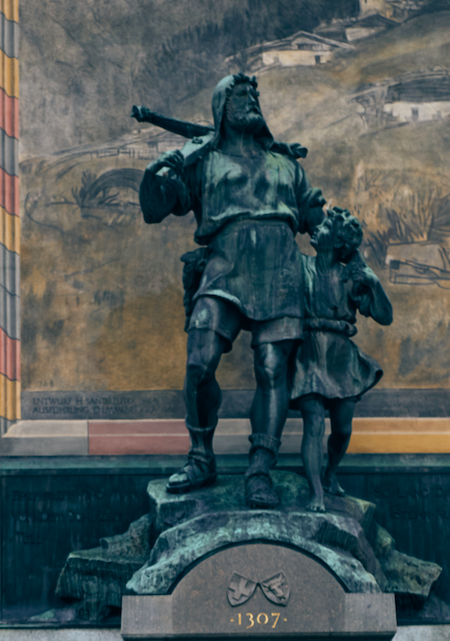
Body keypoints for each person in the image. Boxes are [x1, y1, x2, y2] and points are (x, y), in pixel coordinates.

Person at [140, 74, 326, 508]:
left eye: (254, 95)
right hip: (224, 266)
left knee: (272, 368)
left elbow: (318, 219)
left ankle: (260, 469)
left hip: (281, 270)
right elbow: (155, 209)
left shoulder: (286, 164)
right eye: (241, 94)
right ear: (221, 106)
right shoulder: (202, 161)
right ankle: (201, 457)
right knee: (198, 364)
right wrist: (158, 171)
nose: (251, 100)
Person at [291, 206, 393, 511]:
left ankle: (330, 472)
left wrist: (373, 283)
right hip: (308, 353)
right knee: (313, 423)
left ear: (336, 242)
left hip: (341, 356)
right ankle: (317, 494)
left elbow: (385, 317)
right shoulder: (300, 265)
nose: (316, 229)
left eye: (324, 227)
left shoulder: (351, 277)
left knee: (343, 429)